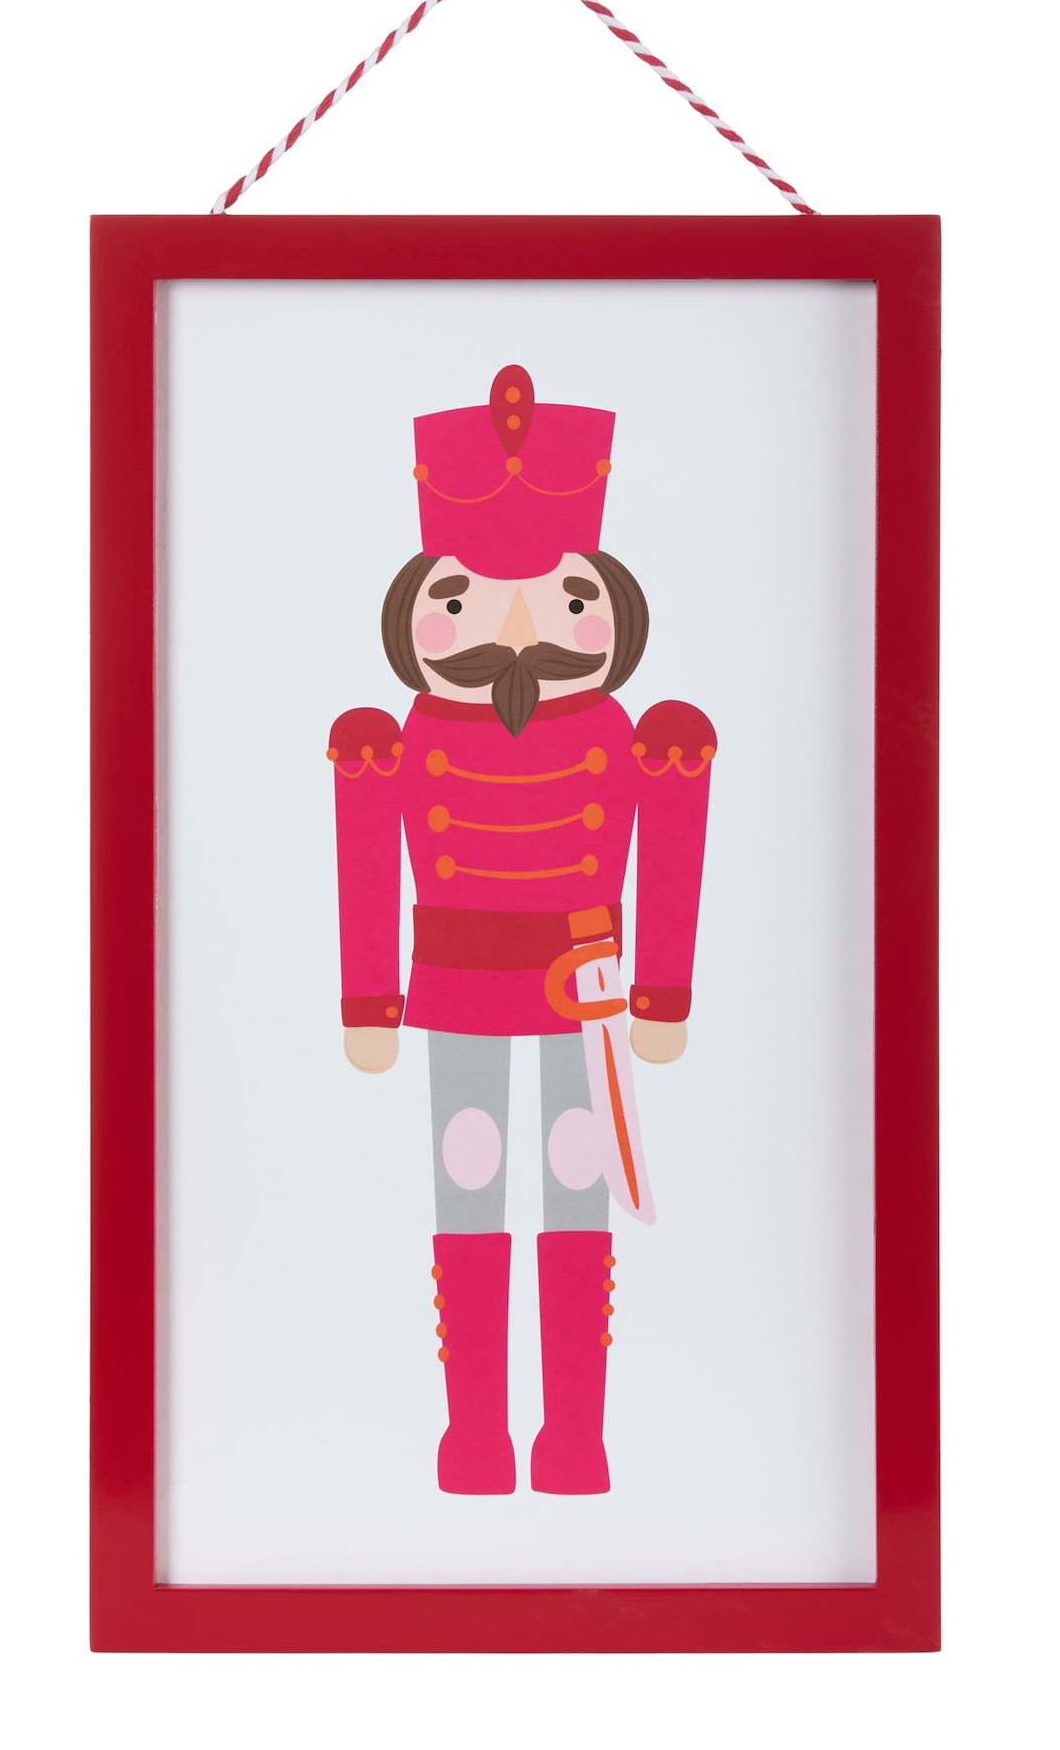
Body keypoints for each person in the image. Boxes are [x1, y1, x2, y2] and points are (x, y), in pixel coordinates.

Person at [328, 364, 716, 1494]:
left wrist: (662, 994)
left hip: (582, 984)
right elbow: (366, 858)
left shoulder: (631, 730)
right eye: (463, 600)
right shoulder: (397, 735)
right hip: (457, 984)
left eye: (559, 598)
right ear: (415, 609)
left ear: (608, 605)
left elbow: (672, 846)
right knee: (469, 1170)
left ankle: (575, 1436)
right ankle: (477, 1435)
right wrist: (370, 1002)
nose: (513, 628)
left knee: (576, 1174)